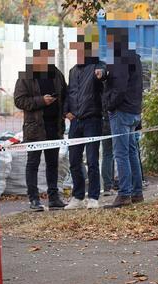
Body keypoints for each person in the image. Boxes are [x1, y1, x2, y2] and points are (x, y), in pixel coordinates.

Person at [13, 42, 67, 212]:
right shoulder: (26, 76)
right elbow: (19, 100)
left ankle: (54, 198)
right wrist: (41, 101)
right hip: (34, 128)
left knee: (53, 163)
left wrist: (66, 110)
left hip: (54, 126)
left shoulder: (56, 74)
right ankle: (34, 199)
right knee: (33, 163)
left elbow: (65, 94)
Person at [98, 28, 144, 208]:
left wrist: (109, 105)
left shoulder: (119, 59)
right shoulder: (135, 58)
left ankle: (124, 194)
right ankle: (137, 192)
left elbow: (119, 87)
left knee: (121, 154)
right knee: (132, 152)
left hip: (121, 111)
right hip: (134, 111)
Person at [64, 28, 103, 209]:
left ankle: (94, 197)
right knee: (74, 161)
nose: (77, 52)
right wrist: (66, 111)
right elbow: (69, 93)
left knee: (93, 160)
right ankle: (78, 197)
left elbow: (104, 72)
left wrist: (102, 73)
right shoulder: (72, 71)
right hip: (75, 122)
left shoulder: (97, 67)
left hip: (92, 120)